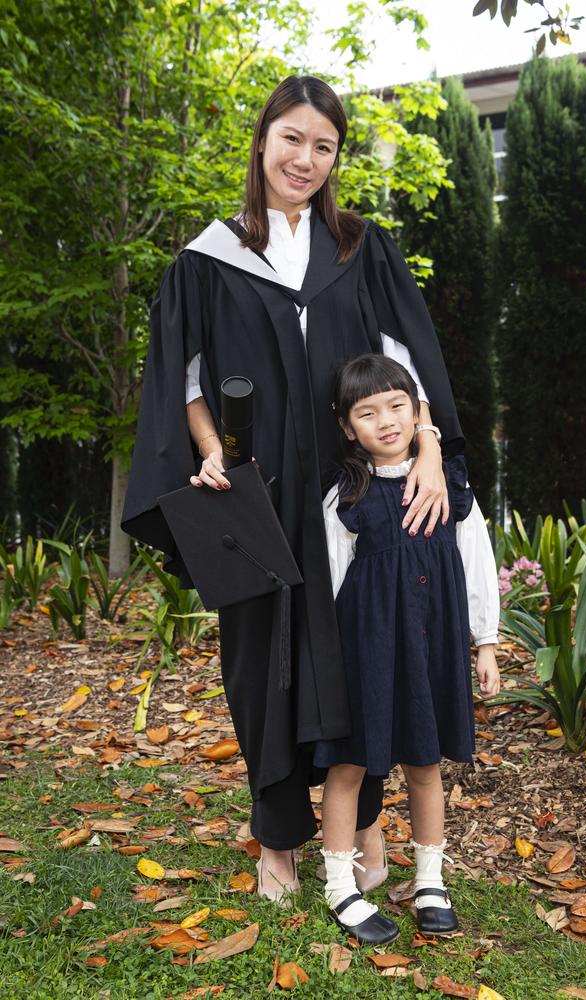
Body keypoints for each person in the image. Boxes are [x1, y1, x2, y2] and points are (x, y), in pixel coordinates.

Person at [121, 75, 467, 906]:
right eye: (292, 139)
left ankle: (369, 823)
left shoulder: (361, 249)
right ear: (263, 139)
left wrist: (425, 445)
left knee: (366, 652)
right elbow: (189, 380)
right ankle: (278, 836)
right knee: (260, 664)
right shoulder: (208, 261)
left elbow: (405, 359)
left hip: (355, 493)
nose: (305, 159)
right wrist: (210, 459)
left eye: (324, 146)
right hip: (260, 498)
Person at [314, 354, 500, 944]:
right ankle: (340, 884)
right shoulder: (345, 496)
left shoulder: (453, 487)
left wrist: (486, 643)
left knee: (425, 762)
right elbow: (330, 580)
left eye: (397, 406)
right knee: (348, 765)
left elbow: (477, 566)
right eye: (366, 413)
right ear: (348, 427)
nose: (385, 421)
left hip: (432, 646)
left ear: (416, 412)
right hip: (363, 650)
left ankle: (429, 878)